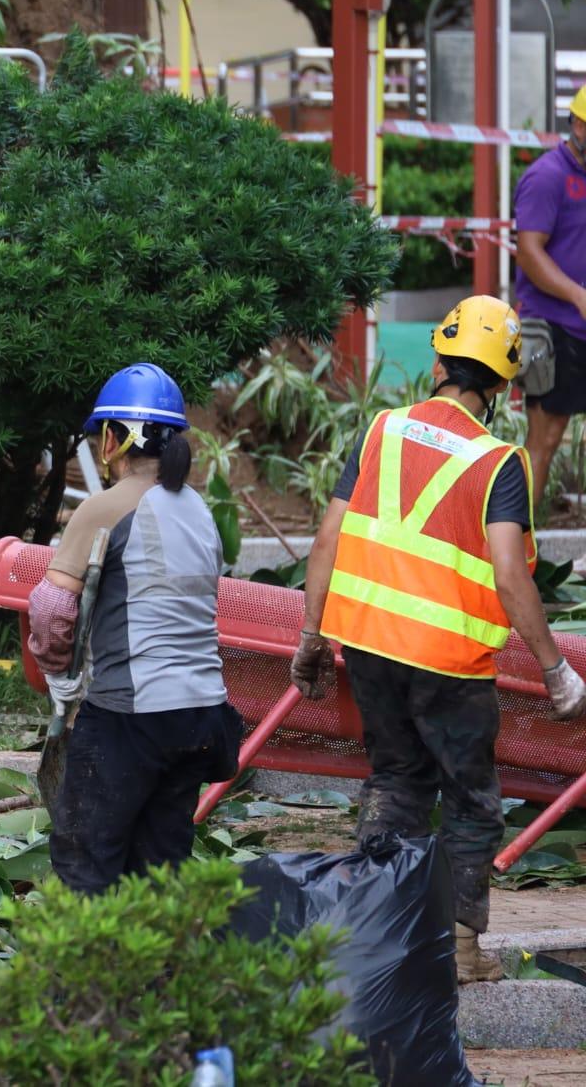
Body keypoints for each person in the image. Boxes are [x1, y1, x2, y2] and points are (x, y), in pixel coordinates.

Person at [292, 294, 586, 982]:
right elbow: (511, 575)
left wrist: (311, 637)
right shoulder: (498, 462)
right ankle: (456, 948)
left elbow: (328, 539)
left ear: (437, 361)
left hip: (367, 645)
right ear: (505, 386)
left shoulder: (380, 430)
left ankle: (382, 933)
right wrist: (555, 671)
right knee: (471, 796)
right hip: (448, 662)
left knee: (395, 780)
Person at [28, 364, 240, 894]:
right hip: (202, 715)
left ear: (114, 438)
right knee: (160, 864)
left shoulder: (106, 506)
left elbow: (52, 608)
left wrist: (57, 671)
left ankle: (87, 976)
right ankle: (160, 973)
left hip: (132, 715)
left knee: (84, 858)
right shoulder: (200, 511)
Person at [513, 85, 586, 503]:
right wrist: (577, 296)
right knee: (544, 439)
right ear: (578, 125)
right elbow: (528, 252)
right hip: (555, 329)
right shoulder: (547, 177)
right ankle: (518, 550)